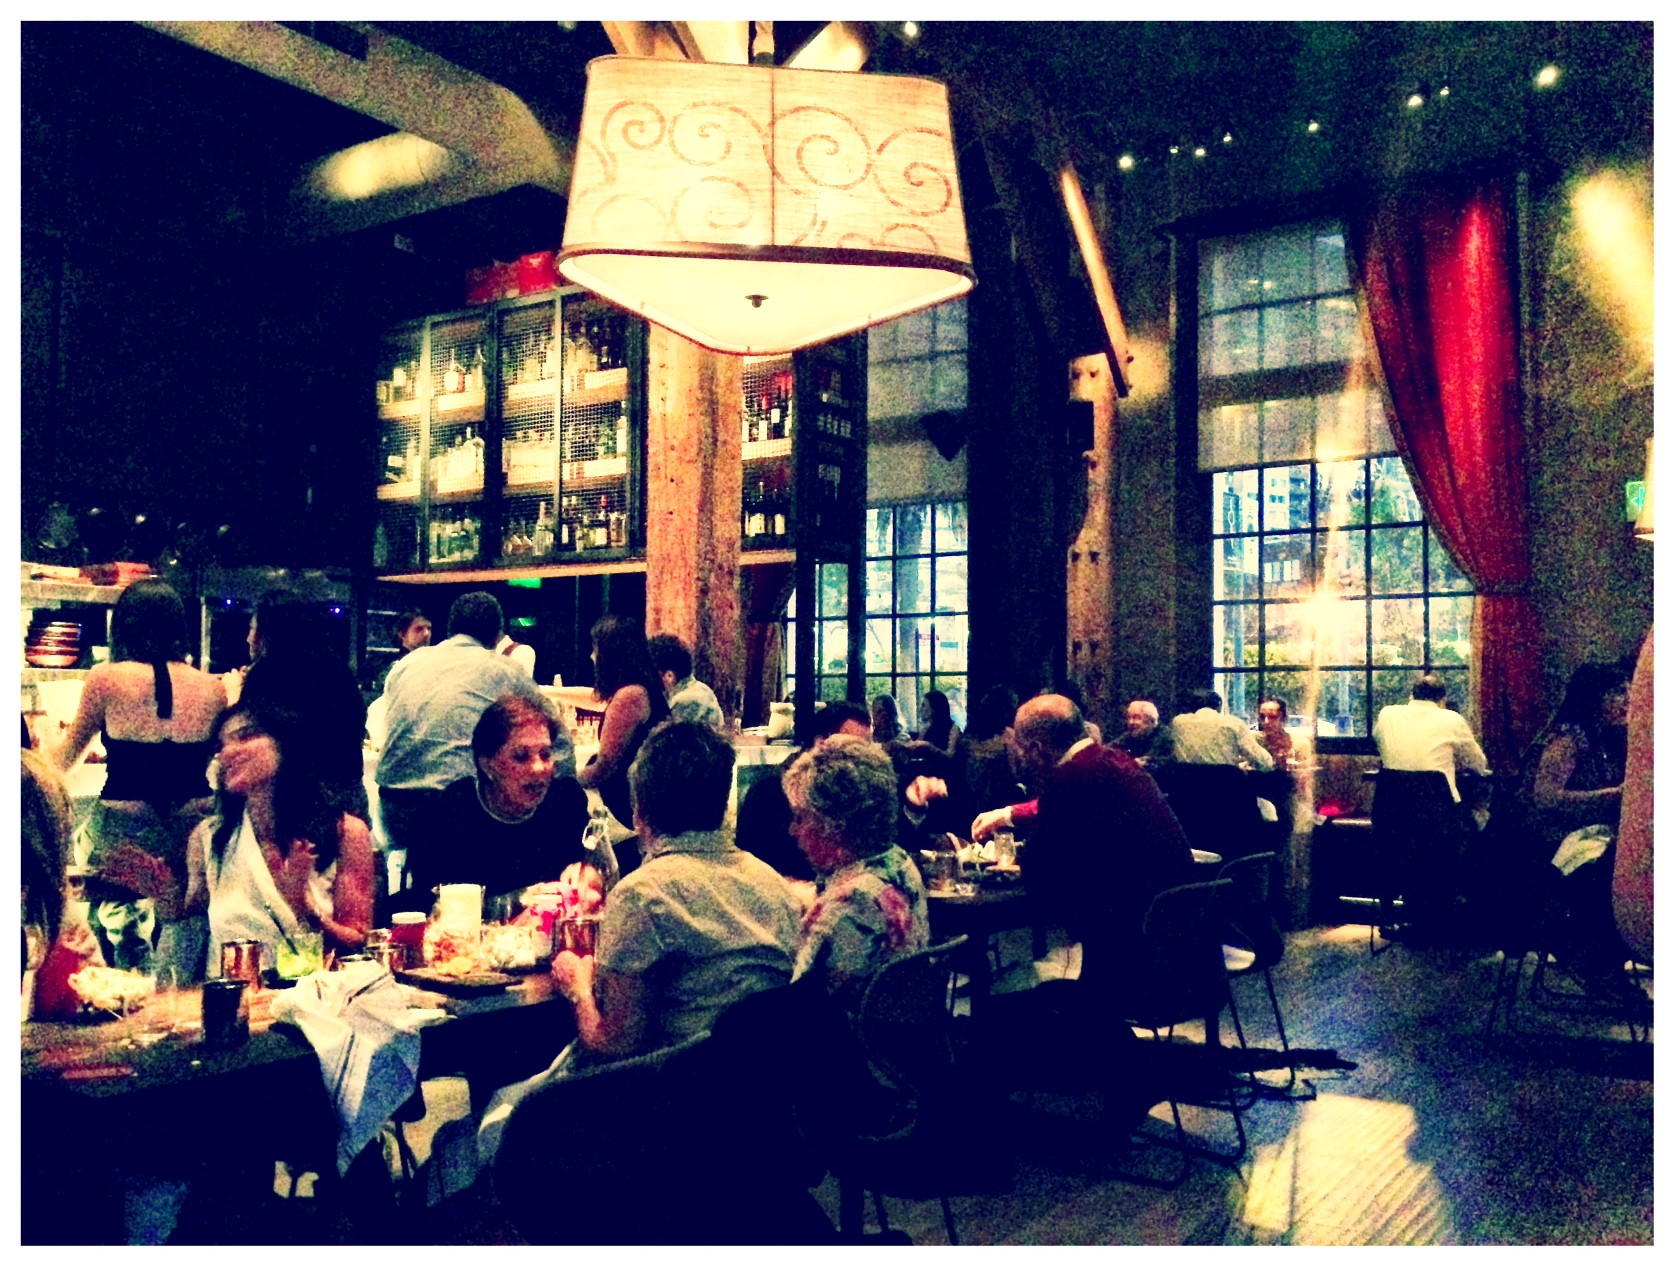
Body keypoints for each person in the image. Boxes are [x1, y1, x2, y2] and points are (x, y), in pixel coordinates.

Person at [549, 721, 802, 1060]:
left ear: (640, 811)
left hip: (672, 1085)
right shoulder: (774, 885)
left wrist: (577, 983)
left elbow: (615, 1044)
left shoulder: (642, 895)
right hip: (767, 1079)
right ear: (722, 802)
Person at [50, 578, 227, 969]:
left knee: (89, 867)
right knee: (186, 919)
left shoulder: (105, 679)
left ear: (124, 626)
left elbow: (64, 761)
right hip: (193, 829)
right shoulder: (212, 688)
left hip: (125, 826)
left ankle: (129, 971)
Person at [377, 592, 559, 909]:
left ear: (449, 629)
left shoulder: (405, 666)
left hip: (394, 806)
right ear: (496, 635)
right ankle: (499, 910)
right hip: (456, 810)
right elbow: (559, 743)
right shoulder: (505, 669)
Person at [180, 700, 376, 968]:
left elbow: (356, 944)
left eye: (245, 736)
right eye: (220, 746)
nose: (227, 752)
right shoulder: (211, 838)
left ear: (286, 744)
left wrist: (301, 905)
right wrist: (165, 896)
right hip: (236, 991)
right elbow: (189, 920)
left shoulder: (345, 832)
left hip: (317, 990)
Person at [782, 736, 930, 1015]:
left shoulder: (846, 907)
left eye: (801, 817)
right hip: (905, 1031)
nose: (793, 830)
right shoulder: (897, 862)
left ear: (834, 825)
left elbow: (794, 1014)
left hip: (844, 1040)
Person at [1512, 661, 1636, 997]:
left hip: (1567, 836)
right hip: (1539, 843)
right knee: (1612, 871)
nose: (1627, 699)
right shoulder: (1570, 738)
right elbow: (1545, 799)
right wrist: (1613, 795)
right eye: (1617, 692)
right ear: (1593, 697)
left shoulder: (1599, 735)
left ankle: (1600, 958)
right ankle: (1592, 958)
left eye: (1628, 691)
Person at [409, 694, 596, 905]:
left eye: (545, 754)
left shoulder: (565, 803)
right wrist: (521, 899)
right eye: (521, 756)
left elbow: (592, 868)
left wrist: (589, 876)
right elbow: (434, 905)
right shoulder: (451, 814)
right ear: (487, 765)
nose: (539, 767)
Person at [239, 588, 369, 825]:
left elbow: (255, 743)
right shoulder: (339, 672)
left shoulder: (266, 677)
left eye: (252, 629)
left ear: (268, 633)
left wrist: (234, 696)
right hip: (348, 797)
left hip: (294, 801)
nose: (248, 638)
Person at [736, 700, 872, 882]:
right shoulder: (770, 792)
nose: (864, 759)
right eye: (854, 749)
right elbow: (750, 868)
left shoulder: (856, 793)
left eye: (867, 749)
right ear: (821, 743)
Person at [576, 614, 670, 847]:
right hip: (647, 796)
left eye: (595, 649)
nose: (592, 656)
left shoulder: (630, 696)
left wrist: (564, 780)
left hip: (627, 803)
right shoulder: (643, 687)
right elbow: (593, 698)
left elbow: (604, 769)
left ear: (610, 654)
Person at [1372, 673, 1488, 804]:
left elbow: (1379, 742)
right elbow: (1477, 763)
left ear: (1411, 696)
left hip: (1392, 805)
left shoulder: (1387, 715)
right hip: (1437, 807)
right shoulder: (1452, 719)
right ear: (1442, 701)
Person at [1169, 688, 1274, 771]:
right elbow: (1264, 761)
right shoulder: (1233, 724)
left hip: (1187, 788)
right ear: (1219, 706)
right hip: (1225, 788)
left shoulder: (1178, 723)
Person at [646, 632, 725, 731]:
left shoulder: (686, 701)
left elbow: (666, 737)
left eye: (653, 675)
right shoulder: (701, 689)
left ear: (669, 676)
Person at [374, 609, 432, 692]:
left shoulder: (435, 662)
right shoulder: (386, 665)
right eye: (419, 629)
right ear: (403, 634)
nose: (426, 633)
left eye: (429, 629)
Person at [1115, 699, 1174, 768]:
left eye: (1136, 717)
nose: (1130, 722)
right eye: (1129, 718)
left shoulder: (1164, 737)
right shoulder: (1131, 734)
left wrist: (1133, 764)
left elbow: (1153, 763)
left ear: (1150, 720)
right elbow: (1110, 750)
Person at [917, 689, 962, 756]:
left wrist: (929, 746)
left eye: (924, 705)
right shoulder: (926, 728)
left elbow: (950, 756)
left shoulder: (953, 730)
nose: (920, 709)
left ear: (934, 708)